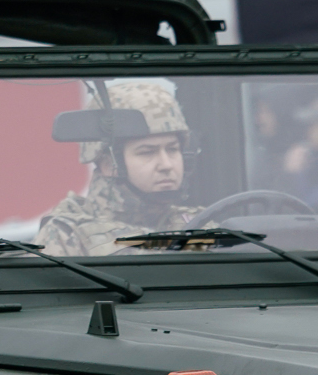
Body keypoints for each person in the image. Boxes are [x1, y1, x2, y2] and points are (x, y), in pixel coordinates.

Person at [36, 80, 199, 257]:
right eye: (147, 152)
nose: (166, 165)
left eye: (172, 149)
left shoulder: (198, 223)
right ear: (109, 164)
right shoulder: (67, 235)